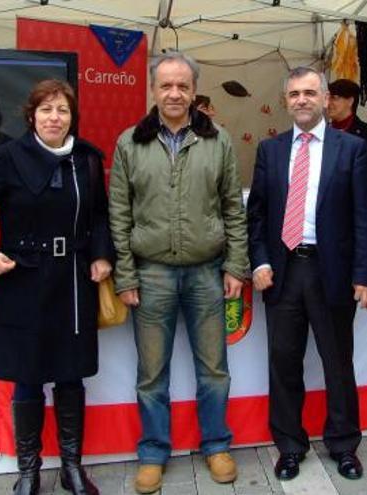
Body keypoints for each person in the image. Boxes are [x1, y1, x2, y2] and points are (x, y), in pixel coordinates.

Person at [0, 79, 114, 495]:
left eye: (62, 110)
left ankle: (72, 467)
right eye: (46, 110)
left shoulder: (87, 159)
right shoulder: (7, 158)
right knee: (26, 377)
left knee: (70, 375)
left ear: (72, 116)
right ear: (31, 115)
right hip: (23, 279)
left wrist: (100, 254)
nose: (55, 118)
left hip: (72, 279)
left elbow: (99, 216)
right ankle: (29, 471)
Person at [108, 51, 248, 494]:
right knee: (152, 374)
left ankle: (217, 445)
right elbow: (119, 214)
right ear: (153, 89)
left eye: (182, 86)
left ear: (193, 90)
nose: (174, 93)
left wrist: (236, 265)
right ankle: (152, 452)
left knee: (214, 369)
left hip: (207, 273)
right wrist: (126, 275)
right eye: (166, 85)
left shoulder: (218, 140)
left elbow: (233, 209)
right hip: (151, 276)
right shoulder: (130, 142)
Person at [246, 67, 367, 482]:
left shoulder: (353, 149)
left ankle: (343, 445)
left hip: (333, 272)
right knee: (283, 362)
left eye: (309, 93)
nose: (301, 100)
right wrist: (261, 262)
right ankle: (289, 446)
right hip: (283, 272)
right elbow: (258, 216)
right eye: (293, 94)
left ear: (325, 99)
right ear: (286, 101)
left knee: (337, 362)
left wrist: (364, 274)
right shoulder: (270, 150)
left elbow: (364, 218)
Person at [327, 78, 367, 181]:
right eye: (328, 98)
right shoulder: (321, 131)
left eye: (334, 98)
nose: (329, 103)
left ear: (350, 101)